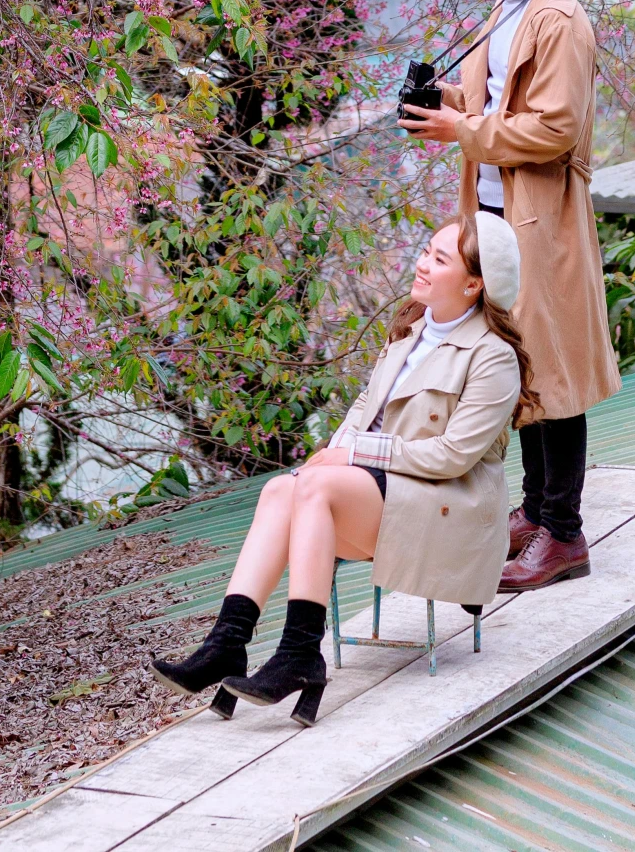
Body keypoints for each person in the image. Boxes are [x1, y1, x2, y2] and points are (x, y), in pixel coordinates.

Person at [151, 214, 528, 726]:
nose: (422, 264)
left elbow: (453, 457)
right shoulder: (407, 335)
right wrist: (329, 454)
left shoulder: (493, 356)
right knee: (282, 490)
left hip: (448, 511)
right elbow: (360, 413)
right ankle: (227, 644)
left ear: (474, 283)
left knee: (316, 488)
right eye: (426, 251)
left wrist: (353, 454)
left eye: (440, 260)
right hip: (389, 494)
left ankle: (300, 651)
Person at [402, 0, 620, 591]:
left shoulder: (556, 20)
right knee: (521, 365)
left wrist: (461, 128)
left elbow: (555, 128)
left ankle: (563, 531)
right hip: (495, 215)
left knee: (553, 373)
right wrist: (448, 104)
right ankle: (534, 508)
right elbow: (500, 104)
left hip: (541, 222)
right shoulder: (511, 7)